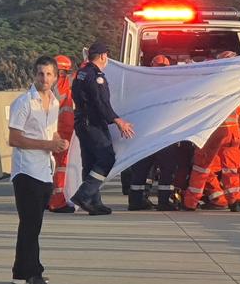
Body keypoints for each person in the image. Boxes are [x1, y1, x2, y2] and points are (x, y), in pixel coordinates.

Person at [8, 56, 70, 284]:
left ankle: (20, 271)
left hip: (44, 169)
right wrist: (48, 145)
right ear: (34, 75)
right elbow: (14, 138)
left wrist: (58, 142)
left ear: (56, 77)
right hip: (26, 171)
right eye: (40, 74)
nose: (44, 78)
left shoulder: (54, 102)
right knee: (30, 223)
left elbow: (50, 134)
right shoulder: (24, 103)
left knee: (33, 223)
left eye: (49, 74)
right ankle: (32, 273)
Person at [71, 41, 135, 215]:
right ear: (102, 56)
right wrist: (117, 120)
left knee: (90, 162)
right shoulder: (96, 76)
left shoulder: (81, 73)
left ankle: (94, 202)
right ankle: (84, 195)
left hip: (81, 122)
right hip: (93, 123)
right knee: (107, 159)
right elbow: (100, 102)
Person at [183, 51, 240, 212]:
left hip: (216, 131)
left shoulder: (215, 82)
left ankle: (191, 202)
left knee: (202, 166)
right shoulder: (239, 81)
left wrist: (190, 69)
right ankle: (235, 200)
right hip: (234, 131)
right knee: (230, 168)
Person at [128, 55, 181, 211]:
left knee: (141, 169)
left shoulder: (142, 85)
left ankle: (136, 201)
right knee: (167, 170)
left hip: (145, 135)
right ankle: (164, 202)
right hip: (164, 136)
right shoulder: (174, 87)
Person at [48, 55, 76, 213]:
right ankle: (58, 201)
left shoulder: (46, 84)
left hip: (51, 129)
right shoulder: (63, 82)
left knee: (50, 166)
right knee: (62, 166)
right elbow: (82, 74)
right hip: (63, 129)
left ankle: (48, 199)